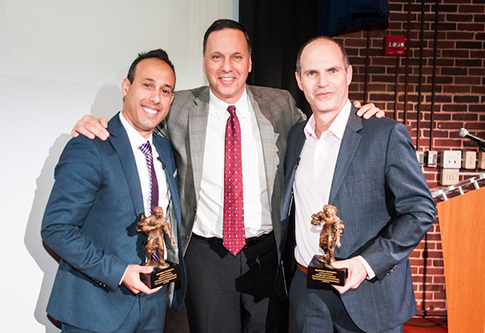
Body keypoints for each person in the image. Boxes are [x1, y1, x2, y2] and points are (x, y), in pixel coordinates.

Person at [71, 20, 383, 333]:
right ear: (204, 63)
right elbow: (138, 124)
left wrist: (360, 115)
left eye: (236, 57)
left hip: (265, 253)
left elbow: (323, 131)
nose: (226, 67)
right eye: (216, 57)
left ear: (249, 62)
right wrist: (98, 126)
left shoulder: (280, 104)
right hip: (206, 256)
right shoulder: (178, 105)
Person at [280, 37, 436, 332]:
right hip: (308, 293)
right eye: (312, 73)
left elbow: (420, 211)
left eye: (333, 71)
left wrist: (366, 263)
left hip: (371, 295)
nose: (323, 82)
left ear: (349, 74)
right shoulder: (295, 137)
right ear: (300, 81)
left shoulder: (384, 134)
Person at [41, 49, 186, 333]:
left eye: (165, 90)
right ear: (126, 86)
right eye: (147, 85)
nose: (156, 97)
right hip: (96, 312)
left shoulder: (165, 150)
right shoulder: (91, 144)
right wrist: (119, 272)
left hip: (153, 309)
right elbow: (56, 228)